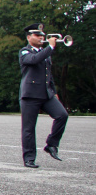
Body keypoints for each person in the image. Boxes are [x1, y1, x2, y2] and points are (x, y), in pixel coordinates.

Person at [18, 23, 68, 168]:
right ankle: (29, 158)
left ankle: (51, 144)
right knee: (29, 129)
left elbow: (48, 75)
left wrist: (54, 91)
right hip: (30, 95)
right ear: (29, 37)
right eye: (37, 35)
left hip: (46, 94)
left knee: (62, 115)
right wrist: (50, 48)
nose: (41, 37)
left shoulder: (44, 53)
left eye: (42, 35)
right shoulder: (25, 52)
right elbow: (33, 60)